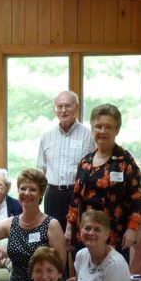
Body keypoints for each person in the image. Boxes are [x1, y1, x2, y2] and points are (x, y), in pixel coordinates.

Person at [65, 104, 141, 259]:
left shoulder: (125, 161)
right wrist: (69, 228)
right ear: (92, 129)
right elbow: (76, 198)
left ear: (117, 130)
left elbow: (136, 200)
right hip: (85, 236)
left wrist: (132, 230)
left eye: (108, 127)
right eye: (98, 126)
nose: (102, 131)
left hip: (115, 235)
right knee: (85, 280)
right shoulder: (85, 162)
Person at [37, 90, 93, 234]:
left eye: (67, 106)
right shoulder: (46, 136)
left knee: (79, 238)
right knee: (54, 240)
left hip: (78, 195)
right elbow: (41, 170)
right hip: (53, 195)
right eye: (59, 106)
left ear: (77, 107)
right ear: (54, 109)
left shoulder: (89, 136)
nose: (63, 110)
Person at [69, 210, 131, 281]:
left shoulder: (114, 264)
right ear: (80, 231)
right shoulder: (81, 255)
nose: (91, 233)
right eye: (87, 228)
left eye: (97, 229)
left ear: (106, 235)